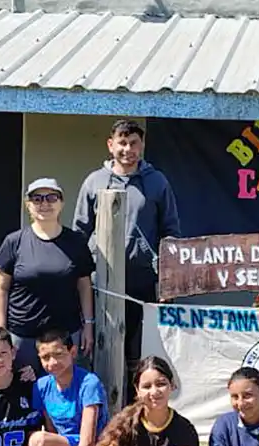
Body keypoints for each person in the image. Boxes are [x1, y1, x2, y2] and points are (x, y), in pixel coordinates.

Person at [74, 119, 181, 374]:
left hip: (142, 281)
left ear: (141, 145)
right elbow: (79, 232)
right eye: (122, 143)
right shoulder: (94, 182)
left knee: (139, 356)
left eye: (134, 143)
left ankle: (135, 411)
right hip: (102, 281)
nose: (128, 149)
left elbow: (171, 234)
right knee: (102, 350)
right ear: (111, 145)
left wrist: (167, 282)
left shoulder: (157, 182)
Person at [0, 178, 96, 373]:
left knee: (67, 393)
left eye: (51, 197)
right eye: (37, 199)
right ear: (28, 205)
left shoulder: (76, 242)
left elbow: (84, 285)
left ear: (61, 203)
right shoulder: (14, 241)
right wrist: (1, 333)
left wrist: (89, 325)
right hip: (23, 337)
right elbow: (1, 289)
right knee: (24, 393)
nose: (45, 203)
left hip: (66, 336)